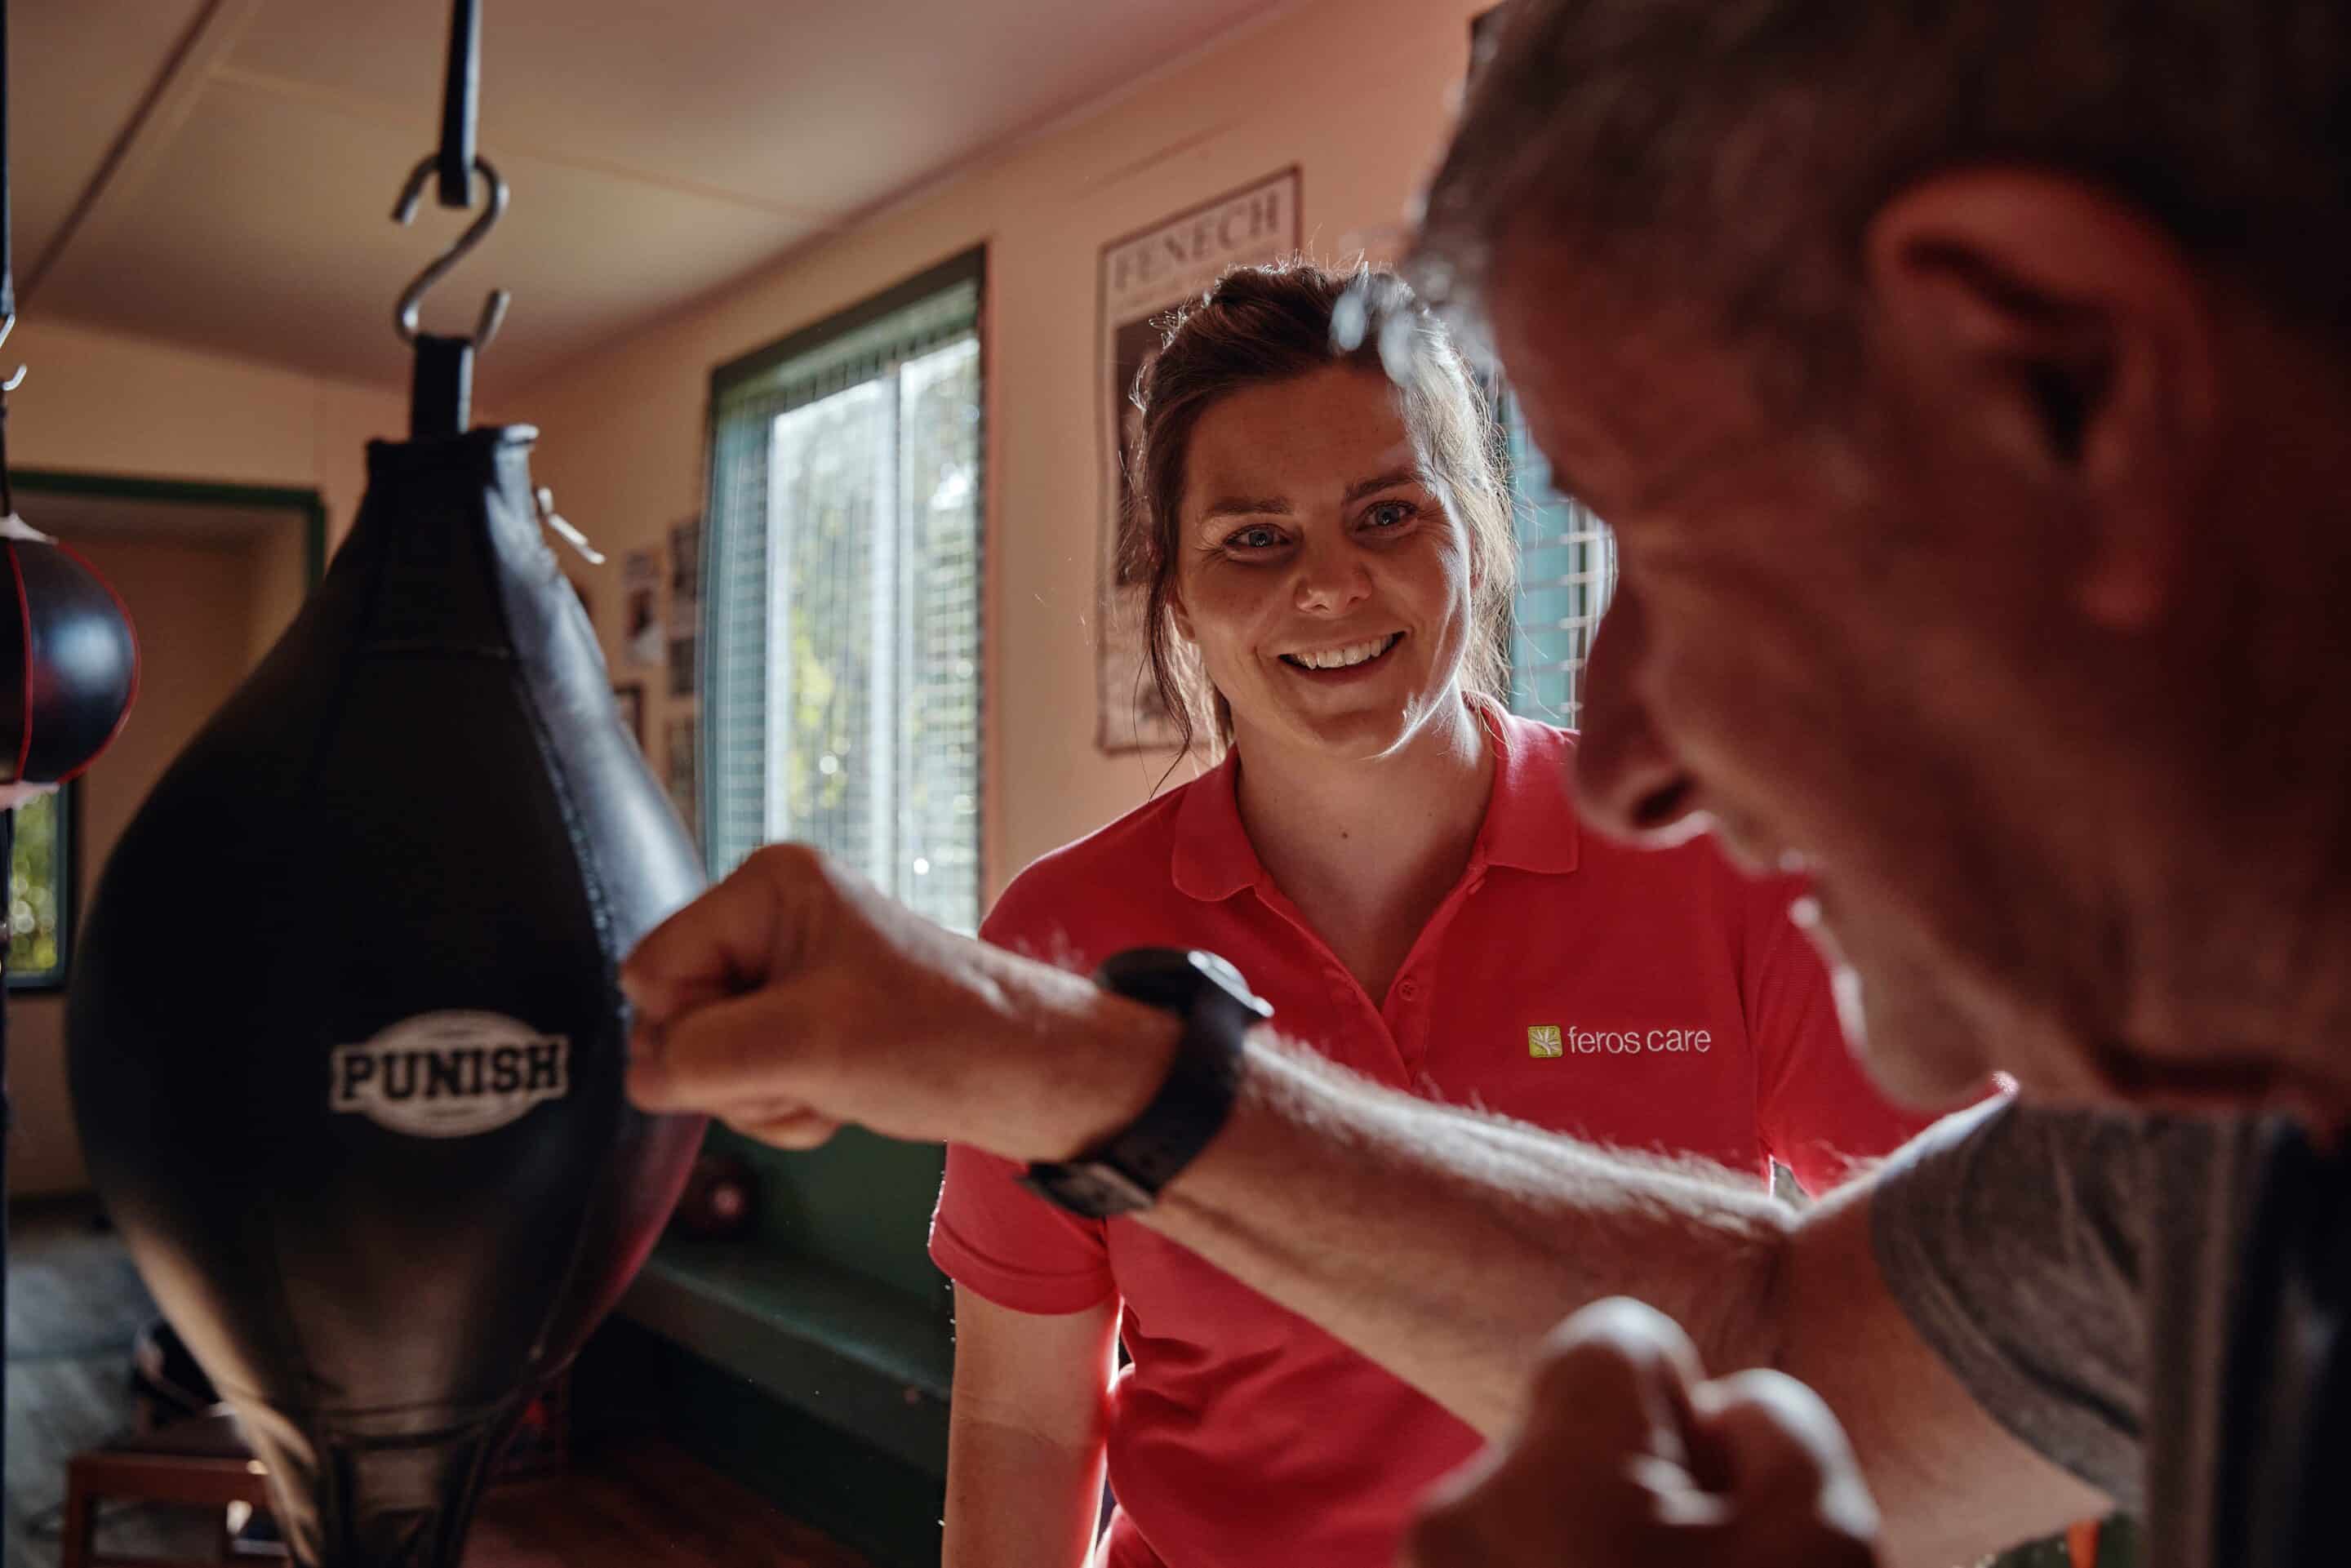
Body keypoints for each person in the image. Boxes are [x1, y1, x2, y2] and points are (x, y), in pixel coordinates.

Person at [621, 1, 2351, 1563]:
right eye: (1255, 538)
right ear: (1176, 594)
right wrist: (1051, 1058)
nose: (1641, 747)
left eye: (1684, 536)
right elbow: (1795, 1340)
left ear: (2069, 386)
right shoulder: (2203, 1169)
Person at [927, 262, 1935, 1568]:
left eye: (1388, 512)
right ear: (1173, 587)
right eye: (1254, 537)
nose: (1333, 586)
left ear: (1479, 526)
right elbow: (1022, 1419)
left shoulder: (1718, 865)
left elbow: (1951, 1309)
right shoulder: (1061, 942)